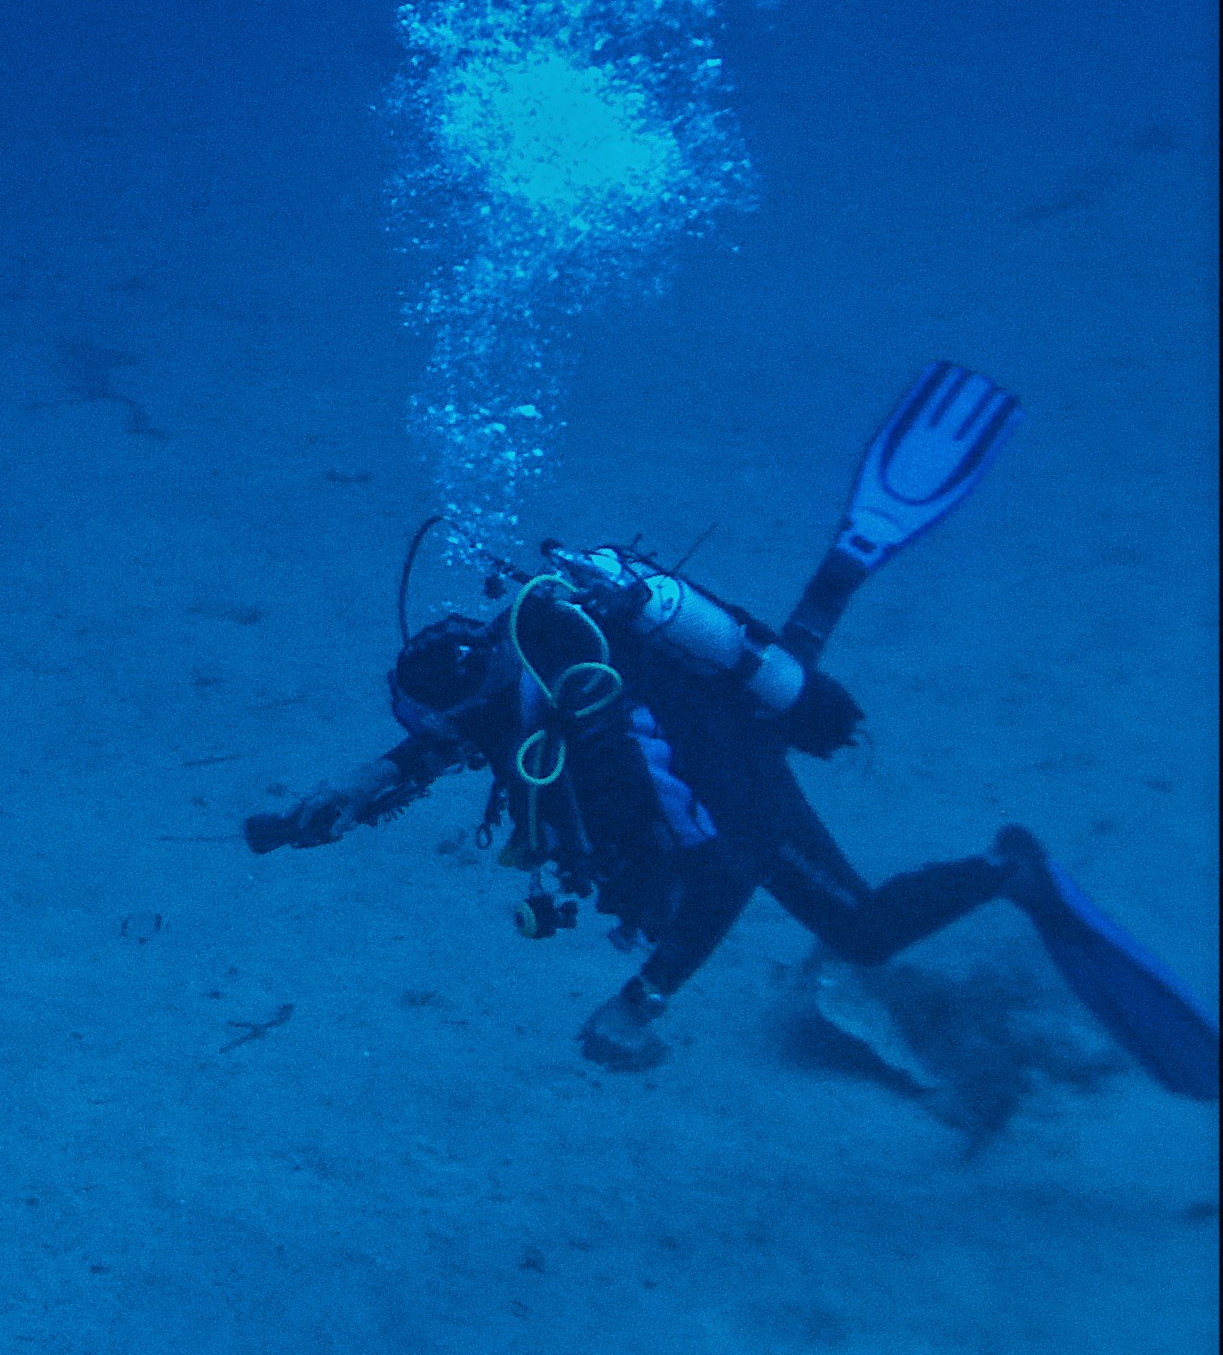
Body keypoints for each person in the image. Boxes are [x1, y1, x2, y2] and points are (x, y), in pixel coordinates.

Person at [251, 364, 1219, 1097]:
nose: (451, 755)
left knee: (859, 929)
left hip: (731, 776)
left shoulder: (600, 727)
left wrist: (642, 1000)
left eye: (452, 737)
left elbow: (732, 863)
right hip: (715, 712)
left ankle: (1013, 872)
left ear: (484, 696)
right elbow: (433, 747)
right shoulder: (517, 681)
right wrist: (322, 810)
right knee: (770, 687)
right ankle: (827, 598)